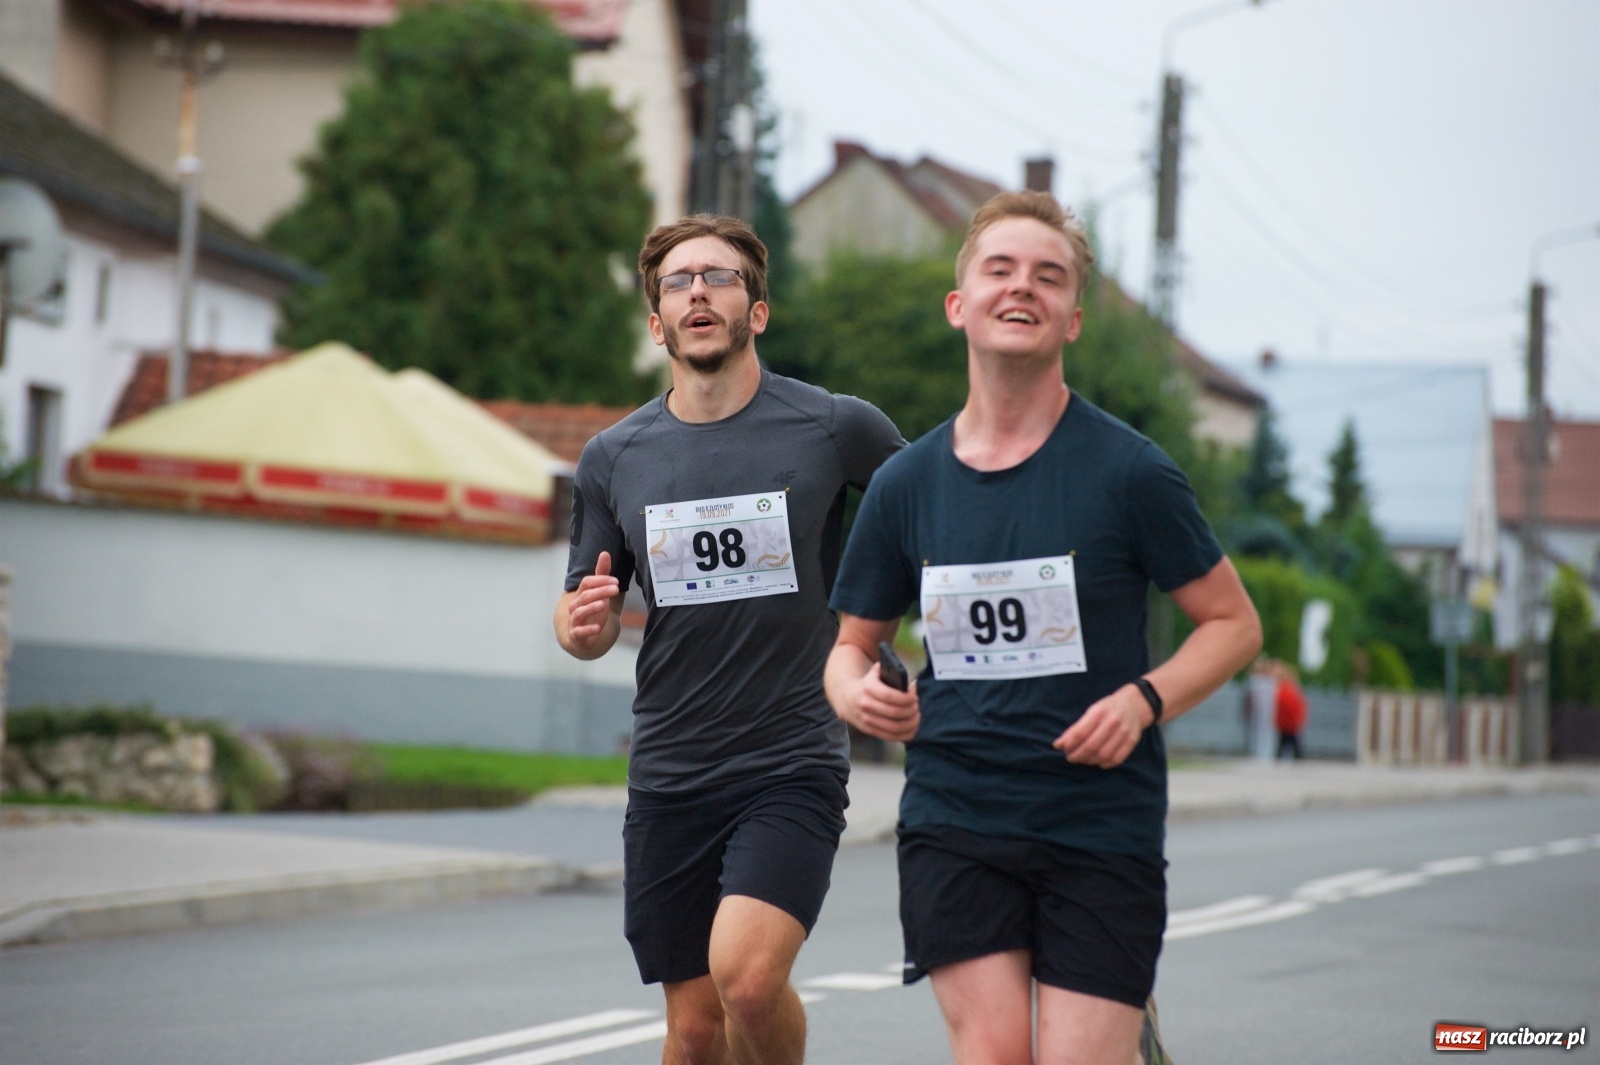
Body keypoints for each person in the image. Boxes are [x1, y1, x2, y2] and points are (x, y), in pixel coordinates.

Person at [824, 191, 1262, 1065]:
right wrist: (858, 695)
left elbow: (1232, 624)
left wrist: (1142, 700)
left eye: (1048, 276)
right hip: (957, 809)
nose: (1022, 287)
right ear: (961, 305)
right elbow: (848, 645)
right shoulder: (906, 484)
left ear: (1072, 319)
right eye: (1001, 269)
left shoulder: (1131, 472)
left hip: (1097, 821)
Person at [555, 214, 903, 1065]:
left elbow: (932, 512)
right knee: (696, 1026)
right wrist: (583, 625)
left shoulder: (833, 427)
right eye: (679, 282)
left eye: (719, 277)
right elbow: (580, 619)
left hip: (790, 758)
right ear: (657, 322)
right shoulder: (613, 455)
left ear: (758, 310)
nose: (699, 291)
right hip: (672, 766)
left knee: (747, 979)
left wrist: (876, 631)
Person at [1274, 660, 1308, 760]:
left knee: (1288, 741)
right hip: (1290, 721)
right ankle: (1296, 757)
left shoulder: (1286, 689)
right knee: (1289, 741)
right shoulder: (1292, 689)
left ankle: (1293, 757)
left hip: (1288, 722)